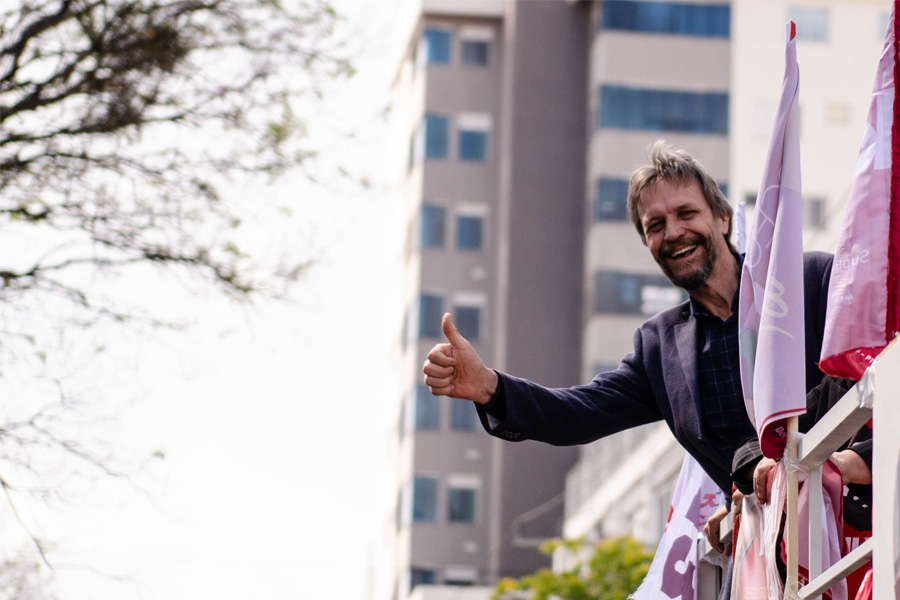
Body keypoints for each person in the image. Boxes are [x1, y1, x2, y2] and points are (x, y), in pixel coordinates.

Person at [422, 141, 833, 551]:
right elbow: (578, 414)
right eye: (655, 226)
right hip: (760, 561)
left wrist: (773, 464)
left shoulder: (808, 280)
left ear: (722, 218)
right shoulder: (660, 348)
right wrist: (488, 387)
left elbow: (859, 374)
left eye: (686, 213)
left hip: (848, 533)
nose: (673, 233)